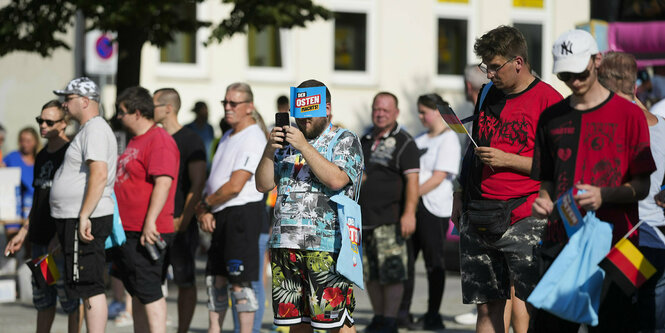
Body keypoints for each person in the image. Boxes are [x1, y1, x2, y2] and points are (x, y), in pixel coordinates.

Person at [531, 29, 656, 333]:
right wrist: (544, 199)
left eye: (579, 72)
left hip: (620, 245)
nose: (574, 81)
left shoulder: (630, 115)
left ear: (597, 60)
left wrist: (605, 196)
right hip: (561, 243)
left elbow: (643, 187)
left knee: (616, 327)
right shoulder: (551, 117)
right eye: (565, 75)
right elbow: (546, 179)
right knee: (548, 327)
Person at [451, 25, 562, 333]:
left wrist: (508, 160)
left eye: (495, 67)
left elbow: (559, 167)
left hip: (524, 215)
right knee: (486, 308)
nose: (489, 74)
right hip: (480, 213)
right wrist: (459, 192)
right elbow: (472, 150)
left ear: (518, 62)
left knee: (530, 303)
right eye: (485, 67)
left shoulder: (549, 101)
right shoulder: (487, 93)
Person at [256, 79, 363, 332]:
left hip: (327, 246)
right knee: (294, 323)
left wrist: (303, 146)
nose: (305, 122)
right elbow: (262, 185)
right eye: (301, 116)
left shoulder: (344, 139)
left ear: (326, 109)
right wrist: (269, 151)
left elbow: (337, 179)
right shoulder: (285, 142)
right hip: (285, 244)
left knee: (337, 324)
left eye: (310, 116)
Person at [598, 51, 665, 333]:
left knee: (613, 322)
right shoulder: (662, 128)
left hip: (622, 241)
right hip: (657, 241)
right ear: (635, 85)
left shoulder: (607, 128)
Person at [4, 100, 83, 333]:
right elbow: (38, 200)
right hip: (40, 242)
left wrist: (61, 237)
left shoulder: (71, 154)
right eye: (40, 120)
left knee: (70, 301)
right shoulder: (41, 156)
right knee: (44, 299)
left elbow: (78, 200)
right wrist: (23, 232)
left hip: (60, 243)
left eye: (49, 121)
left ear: (65, 124)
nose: (43, 125)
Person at [194, 82, 267, 333]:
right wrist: (205, 210)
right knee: (215, 279)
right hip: (220, 214)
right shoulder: (227, 135)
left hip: (241, 215)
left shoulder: (254, 136)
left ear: (249, 107)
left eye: (233, 103)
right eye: (225, 102)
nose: (227, 107)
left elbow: (235, 185)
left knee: (241, 284)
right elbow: (214, 178)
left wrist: (204, 205)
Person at [50, 77, 117, 333]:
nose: (64, 105)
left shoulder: (96, 129)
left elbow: (99, 173)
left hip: (88, 218)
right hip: (76, 218)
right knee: (81, 285)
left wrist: (84, 215)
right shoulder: (88, 130)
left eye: (68, 99)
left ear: (85, 101)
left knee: (90, 285)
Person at [112, 86, 179, 333]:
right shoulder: (136, 140)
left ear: (138, 112)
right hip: (128, 230)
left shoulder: (158, 139)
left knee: (150, 292)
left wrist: (150, 222)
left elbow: (163, 182)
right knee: (138, 292)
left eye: (122, 112)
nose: (119, 117)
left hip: (147, 231)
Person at [360, 91, 420, 333]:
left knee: (392, 273)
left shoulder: (405, 142)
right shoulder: (363, 139)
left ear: (396, 113)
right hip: (364, 221)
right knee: (370, 274)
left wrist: (409, 214)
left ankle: (390, 320)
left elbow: (413, 182)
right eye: (377, 108)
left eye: (386, 110)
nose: (380, 113)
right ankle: (378, 317)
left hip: (391, 219)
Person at [400, 93, 461, 330]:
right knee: (407, 262)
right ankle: (402, 312)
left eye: (424, 111)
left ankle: (433, 314)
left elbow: (438, 177)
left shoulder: (449, 139)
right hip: (414, 206)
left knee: (433, 263)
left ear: (437, 112)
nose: (421, 116)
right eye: (419, 111)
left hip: (434, 208)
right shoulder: (420, 138)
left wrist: (412, 196)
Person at [153, 88, 207, 333]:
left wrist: (184, 220)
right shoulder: (154, 137)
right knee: (152, 281)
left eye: (153, 104)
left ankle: (182, 330)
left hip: (178, 222)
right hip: (154, 222)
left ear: (168, 108)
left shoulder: (190, 139)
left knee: (185, 281)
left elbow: (197, 183)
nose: (147, 109)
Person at [3, 127, 40, 235]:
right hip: (13, 206)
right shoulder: (12, 157)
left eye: (28, 141)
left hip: (32, 206)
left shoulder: (40, 158)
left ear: (35, 142)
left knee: (29, 238)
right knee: (12, 237)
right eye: (22, 140)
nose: (24, 144)